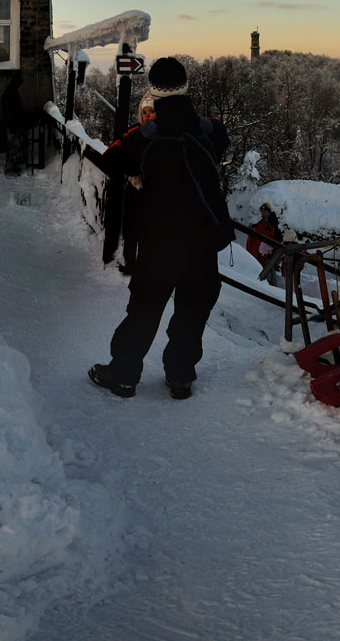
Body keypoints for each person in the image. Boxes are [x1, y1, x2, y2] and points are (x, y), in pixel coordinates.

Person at [85, 56, 233, 399]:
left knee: (145, 308)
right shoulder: (206, 129)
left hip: (161, 241)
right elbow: (220, 137)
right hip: (201, 243)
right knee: (193, 310)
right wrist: (200, 124)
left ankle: (123, 374)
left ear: (153, 91)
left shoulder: (143, 136)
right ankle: (180, 377)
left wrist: (143, 134)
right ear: (186, 87)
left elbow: (110, 160)